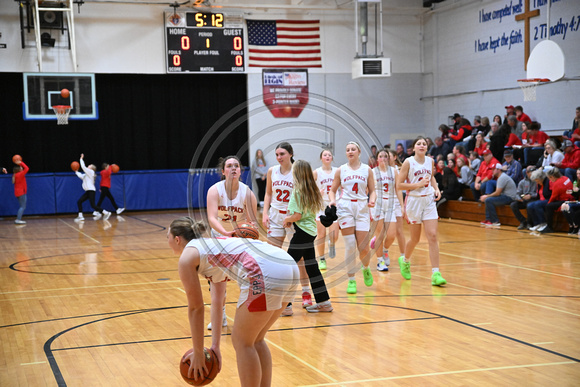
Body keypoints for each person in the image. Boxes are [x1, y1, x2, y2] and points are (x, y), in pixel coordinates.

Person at [169, 217, 299, 387]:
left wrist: (199, 353)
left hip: (265, 268)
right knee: (256, 340)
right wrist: (215, 346)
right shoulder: (211, 246)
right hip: (286, 263)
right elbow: (217, 302)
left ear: (177, 239)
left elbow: (196, 308)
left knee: (242, 341)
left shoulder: (187, 257)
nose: (168, 241)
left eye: (168, 237)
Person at [206, 155, 258, 329]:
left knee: (247, 279)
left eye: (236, 165)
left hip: (239, 240)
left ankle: (247, 317)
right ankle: (219, 316)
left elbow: (252, 222)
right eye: (229, 166)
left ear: (240, 171)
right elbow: (212, 218)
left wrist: (243, 233)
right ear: (223, 171)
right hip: (219, 236)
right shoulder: (215, 190)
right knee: (217, 281)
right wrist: (225, 233)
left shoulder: (247, 193)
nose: (233, 168)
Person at [261, 142, 311, 310]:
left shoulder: (298, 171)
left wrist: (295, 217)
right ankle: (280, 298)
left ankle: (305, 292)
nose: (279, 157)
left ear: (290, 154)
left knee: (300, 259)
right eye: (276, 154)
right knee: (274, 257)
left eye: (282, 154)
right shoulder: (272, 171)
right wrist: (265, 213)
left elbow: (305, 196)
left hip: (293, 217)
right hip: (275, 216)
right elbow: (268, 193)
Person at [396, 136, 447, 286]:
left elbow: (431, 177)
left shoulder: (430, 160)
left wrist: (436, 189)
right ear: (414, 148)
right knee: (415, 239)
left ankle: (436, 273)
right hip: (414, 201)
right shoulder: (408, 162)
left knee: (432, 235)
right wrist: (416, 185)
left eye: (424, 143)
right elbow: (399, 185)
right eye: (419, 143)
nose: (422, 145)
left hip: (429, 200)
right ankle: (405, 260)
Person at [283, 160, 333, 313]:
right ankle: (324, 302)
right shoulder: (311, 189)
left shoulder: (298, 191)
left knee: (287, 267)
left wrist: (287, 219)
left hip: (303, 234)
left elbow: (297, 215)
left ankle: (285, 305)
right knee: (312, 268)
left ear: (297, 173)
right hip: (310, 232)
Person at [328, 141, 376, 294]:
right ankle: (351, 280)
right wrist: (333, 200)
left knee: (363, 248)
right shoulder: (341, 170)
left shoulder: (367, 170)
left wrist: (372, 199)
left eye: (353, 149)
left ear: (359, 152)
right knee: (349, 245)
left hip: (362, 207)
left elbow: (373, 190)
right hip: (345, 207)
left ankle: (366, 267)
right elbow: (332, 190)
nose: (350, 151)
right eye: (348, 149)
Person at [369, 149, 405, 272]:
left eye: (385, 156)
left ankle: (385, 250)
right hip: (378, 204)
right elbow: (369, 190)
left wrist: (401, 205)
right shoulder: (372, 172)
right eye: (381, 156)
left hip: (390, 204)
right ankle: (380, 261)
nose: (383, 158)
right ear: (377, 159)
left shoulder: (394, 171)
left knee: (391, 235)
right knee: (379, 234)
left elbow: (398, 189)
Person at [313, 149, 339, 271]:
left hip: (334, 204)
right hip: (321, 205)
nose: (327, 156)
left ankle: (332, 244)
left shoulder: (337, 171)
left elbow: (344, 187)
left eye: (329, 155)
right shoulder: (316, 172)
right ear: (321, 158)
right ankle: (322, 258)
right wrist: (317, 193)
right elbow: (309, 190)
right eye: (325, 155)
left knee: (334, 235)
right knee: (321, 235)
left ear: (332, 158)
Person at [74, 154, 111, 222]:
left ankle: (106, 212)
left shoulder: (91, 172)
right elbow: (81, 176)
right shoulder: (86, 174)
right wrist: (76, 171)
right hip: (88, 191)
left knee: (93, 205)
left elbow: (83, 167)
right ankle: (80, 216)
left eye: (89, 165)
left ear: (92, 168)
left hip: (91, 191)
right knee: (79, 201)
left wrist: (81, 159)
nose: (88, 165)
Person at [538, 168, 574, 234]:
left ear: (552, 177)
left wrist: (548, 203)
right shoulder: (565, 178)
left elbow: (553, 197)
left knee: (548, 206)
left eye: (549, 178)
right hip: (571, 197)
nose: (550, 180)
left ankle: (549, 227)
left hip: (565, 200)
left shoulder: (557, 184)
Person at [510, 166, 538, 230]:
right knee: (513, 205)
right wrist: (522, 197)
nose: (532, 174)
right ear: (527, 173)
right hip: (524, 199)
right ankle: (523, 221)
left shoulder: (537, 181)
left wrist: (531, 196)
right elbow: (518, 193)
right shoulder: (522, 182)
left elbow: (539, 193)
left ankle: (529, 223)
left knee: (529, 205)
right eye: (531, 173)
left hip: (533, 199)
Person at [560, 167, 580, 235]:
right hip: (578, 202)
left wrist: (578, 191)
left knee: (568, 206)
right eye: (577, 174)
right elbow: (577, 196)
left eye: (579, 174)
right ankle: (571, 225)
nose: (578, 175)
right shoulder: (577, 182)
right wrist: (572, 192)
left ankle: (576, 226)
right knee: (563, 206)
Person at [11, 158, 29, 224]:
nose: (22, 168)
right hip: (21, 192)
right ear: (19, 170)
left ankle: (18, 219)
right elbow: (27, 168)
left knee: (22, 206)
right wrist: (21, 162)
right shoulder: (20, 174)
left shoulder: (15, 175)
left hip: (17, 192)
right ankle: (18, 219)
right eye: (20, 167)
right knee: (23, 207)